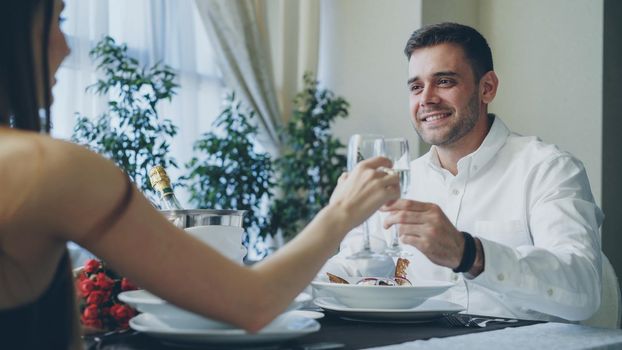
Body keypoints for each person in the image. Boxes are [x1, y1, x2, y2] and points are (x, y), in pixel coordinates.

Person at [0, 1, 400, 349]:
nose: (66, 46)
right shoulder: (50, 167)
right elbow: (253, 302)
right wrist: (342, 211)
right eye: (58, 19)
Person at [320, 22, 604, 323]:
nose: (426, 98)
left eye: (444, 81)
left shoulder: (548, 168)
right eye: (416, 86)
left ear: (487, 88)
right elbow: (352, 269)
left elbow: (583, 289)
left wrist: (469, 253)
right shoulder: (400, 182)